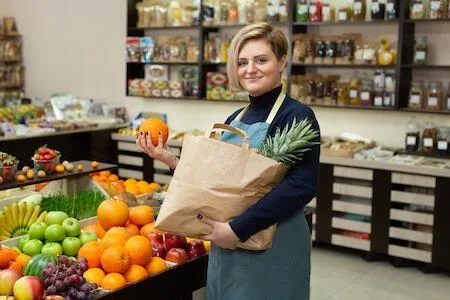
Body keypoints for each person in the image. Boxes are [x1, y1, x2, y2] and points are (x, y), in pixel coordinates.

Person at [136, 22, 320, 300]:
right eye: (242, 62)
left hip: (273, 243)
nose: (250, 69)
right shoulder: (235, 118)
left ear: (281, 62)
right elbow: (216, 182)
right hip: (227, 245)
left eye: (261, 60)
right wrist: (170, 159)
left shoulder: (297, 116)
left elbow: (301, 186)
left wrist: (237, 229)